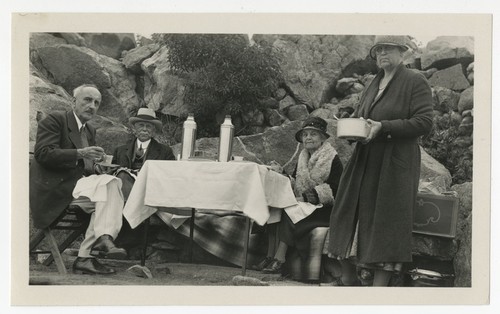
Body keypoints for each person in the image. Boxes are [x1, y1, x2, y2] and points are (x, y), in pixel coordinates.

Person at [327, 35, 434, 286]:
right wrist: (354, 128)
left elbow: (424, 122)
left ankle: (380, 287)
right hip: (366, 157)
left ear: (402, 52)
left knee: (387, 220)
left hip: (395, 161)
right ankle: (349, 277)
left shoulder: (414, 81)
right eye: (378, 50)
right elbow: (363, 118)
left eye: (388, 49)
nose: (382, 54)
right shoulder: (373, 83)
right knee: (346, 208)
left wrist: (383, 127)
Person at [30, 84, 127, 275]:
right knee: (110, 185)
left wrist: (97, 163)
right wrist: (80, 153)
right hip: (55, 187)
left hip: (77, 186)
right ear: (74, 101)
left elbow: (84, 166)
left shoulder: (89, 130)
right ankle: (102, 240)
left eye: (97, 103)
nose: (92, 106)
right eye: (87, 100)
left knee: (112, 185)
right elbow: (43, 154)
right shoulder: (56, 120)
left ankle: (86, 256)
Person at [256, 116, 343, 274]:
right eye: (305, 134)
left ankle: (280, 258)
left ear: (323, 138)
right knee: (273, 208)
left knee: (292, 209)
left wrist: (304, 198)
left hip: (324, 208)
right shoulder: (303, 157)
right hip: (306, 204)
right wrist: (282, 173)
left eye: (313, 134)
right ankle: (269, 255)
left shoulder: (332, 158)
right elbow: (296, 182)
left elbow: (335, 190)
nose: (308, 137)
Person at [112, 107, 175, 200]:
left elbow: (170, 177)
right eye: (141, 125)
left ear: (154, 130)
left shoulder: (165, 152)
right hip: (123, 195)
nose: (144, 129)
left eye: (148, 126)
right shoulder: (120, 151)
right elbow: (112, 175)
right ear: (134, 128)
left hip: (151, 195)